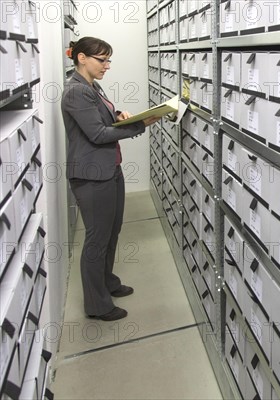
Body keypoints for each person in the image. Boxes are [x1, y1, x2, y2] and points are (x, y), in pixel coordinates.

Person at [61, 37, 160, 321]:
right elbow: (97, 134)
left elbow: (102, 120)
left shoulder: (92, 85)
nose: (107, 66)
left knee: (111, 231)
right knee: (96, 239)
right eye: (101, 60)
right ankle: (97, 305)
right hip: (91, 175)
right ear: (81, 58)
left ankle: (108, 282)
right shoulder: (75, 91)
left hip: (108, 168)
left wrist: (118, 114)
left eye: (108, 60)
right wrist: (139, 125)